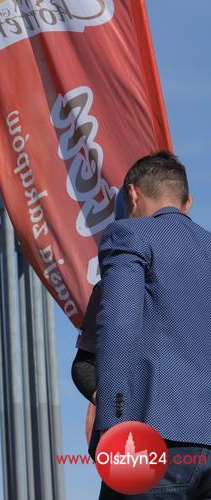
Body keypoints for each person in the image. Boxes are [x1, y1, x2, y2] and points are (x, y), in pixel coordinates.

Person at [95, 151, 211, 498]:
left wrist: (114, 423)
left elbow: (118, 328)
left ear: (132, 193)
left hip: (153, 441)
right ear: (186, 202)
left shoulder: (130, 234)